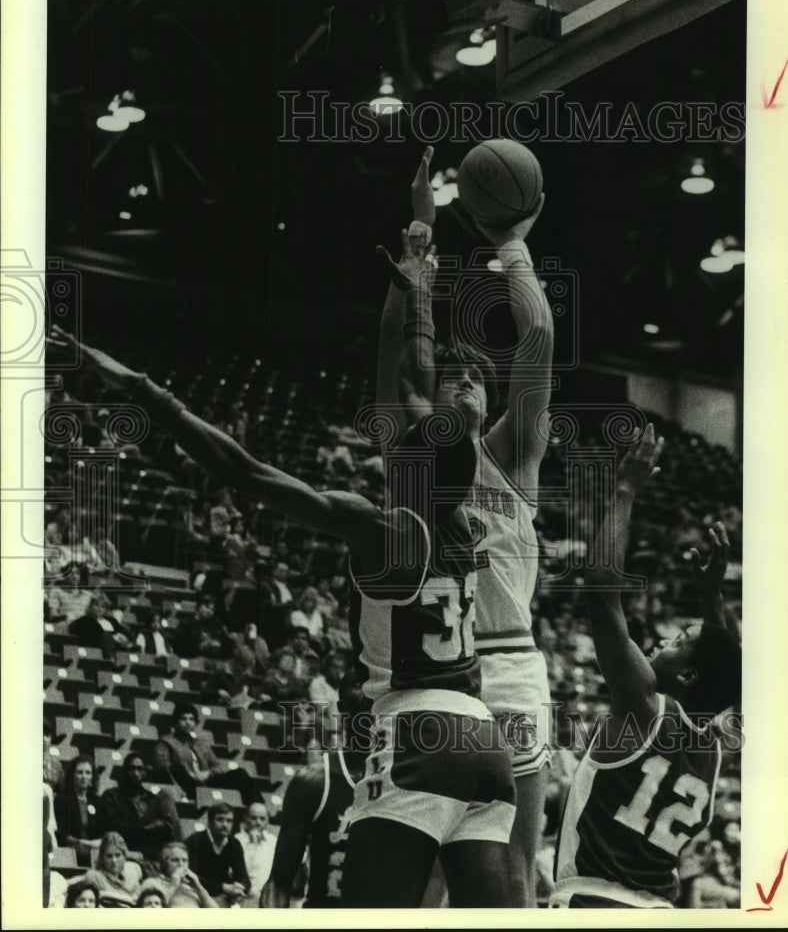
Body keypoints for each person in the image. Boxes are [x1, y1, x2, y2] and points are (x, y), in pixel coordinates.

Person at [48, 243, 518, 909]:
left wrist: (134, 386)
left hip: (419, 733)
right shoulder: (466, 524)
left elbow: (243, 470)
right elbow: (412, 390)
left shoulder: (383, 528)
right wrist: (418, 288)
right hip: (487, 743)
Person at [374, 146, 553, 905]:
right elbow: (395, 354)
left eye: (482, 374)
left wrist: (514, 245)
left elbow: (537, 338)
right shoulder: (410, 454)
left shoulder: (511, 454)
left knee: (510, 873)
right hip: (435, 681)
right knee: (435, 883)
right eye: (459, 374)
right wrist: (418, 236)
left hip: (509, 669)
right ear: (440, 400)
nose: (474, 378)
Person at [550, 427, 742, 908]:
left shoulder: (643, 706)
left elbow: (601, 590)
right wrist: (712, 598)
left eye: (678, 641)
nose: (660, 640)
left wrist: (625, 491)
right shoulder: (713, 746)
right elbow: (724, 668)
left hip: (594, 902)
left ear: (687, 676)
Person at [261, 670, 369, 908]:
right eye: (360, 682)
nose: (369, 692)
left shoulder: (408, 782)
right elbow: (278, 882)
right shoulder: (313, 782)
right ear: (340, 708)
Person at [99, 752, 182, 861]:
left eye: (140, 769)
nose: (135, 773)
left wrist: (159, 826)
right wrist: (148, 827)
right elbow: (115, 827)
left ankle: (177, 852)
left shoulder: (150, 798)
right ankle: (179, 852)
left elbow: (164, 829)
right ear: (124, 772)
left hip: (149, 844)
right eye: (131, 769)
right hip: (129, 842)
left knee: (165, 796)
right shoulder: (112, 795)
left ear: (145, 773)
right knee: (165, 794)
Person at [162, 702, 251, 802]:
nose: (188, 722)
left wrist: (207, 773)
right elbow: (164, 768)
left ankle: (257, 808)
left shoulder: (201, 744)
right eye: (183, 719)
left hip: (205, 781)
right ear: (175, 722)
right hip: (186, 782)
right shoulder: (166, 742)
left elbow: (218, 767)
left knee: (240, 774)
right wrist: (189, 777)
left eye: (191, 719)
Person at [186, 803, 250, 906]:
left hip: (225, 893)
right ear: (210, 822)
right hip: (197, 892)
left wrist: (241, 887)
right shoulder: (195, 841)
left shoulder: (234, 843)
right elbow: (191, 877)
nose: (225, 824)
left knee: (253, 895)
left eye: (229, 821)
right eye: (220, 820)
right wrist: (223, 887)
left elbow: (243, 876)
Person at [53, 755, 104, 866]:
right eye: (79, 772)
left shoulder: (97, 801)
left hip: (94, 847)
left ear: (92, 777)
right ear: (72, 776)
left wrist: (86, 843)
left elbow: (103, 833)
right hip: (72, 849)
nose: (84, 777)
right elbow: (62, 834)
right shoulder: (62, 799)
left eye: (88, 773)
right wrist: (78, 843)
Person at [140, 841, 217, 908]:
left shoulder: (191, 886)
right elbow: (152, 910)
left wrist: (198, 887)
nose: (181, 864)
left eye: (185, 860)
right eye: (175, 860)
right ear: (164, 863)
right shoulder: (152, 883)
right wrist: (174, 884)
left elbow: (216, 912)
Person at [235, 802, 277, 907]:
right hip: (243, 899)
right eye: (254, 818)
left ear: (268, 820)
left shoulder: (274, 841)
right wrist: (252, 845)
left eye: (262, 819)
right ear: (245, 819)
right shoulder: (236, 840)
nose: (258, 823)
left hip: (270, 899)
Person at [84, 831, 143, 907]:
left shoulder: (132, 881)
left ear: (124, 856)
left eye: (118, 855)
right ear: (102, 858)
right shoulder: (94, 877)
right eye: (109, 856)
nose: (114, 861)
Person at [70, 593, 135, 661]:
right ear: (91, 606)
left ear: (106, 609)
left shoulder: (111, 620)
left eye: (103, 607)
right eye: (96, 605)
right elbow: (73, 628)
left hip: (117, 649)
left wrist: (123, 636)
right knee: (106, 637)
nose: (99, 609)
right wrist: (112, 637)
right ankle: (113, 661)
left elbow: (126, 633)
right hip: (96, 652)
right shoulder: (85, 620)